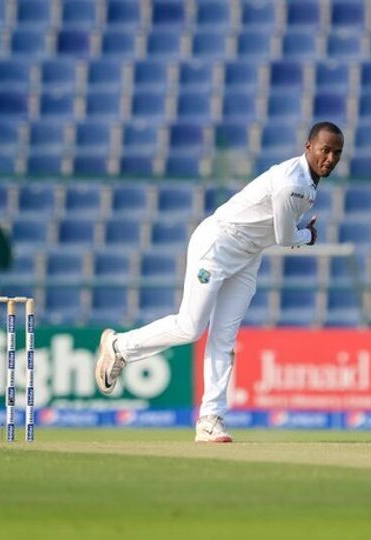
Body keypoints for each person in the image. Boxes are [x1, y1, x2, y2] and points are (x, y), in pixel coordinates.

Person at [95, 121, 344, 442]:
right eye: (325, 150)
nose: (331, 159)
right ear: (308, 147)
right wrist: (308, 236)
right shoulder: (291, 183)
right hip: (218, 244)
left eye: (337, 153)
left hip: (248, 256)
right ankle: (120, 346)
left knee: (224, 340)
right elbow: (284, 237)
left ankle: (210, 420)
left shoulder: (308, 183)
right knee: (190, 327)